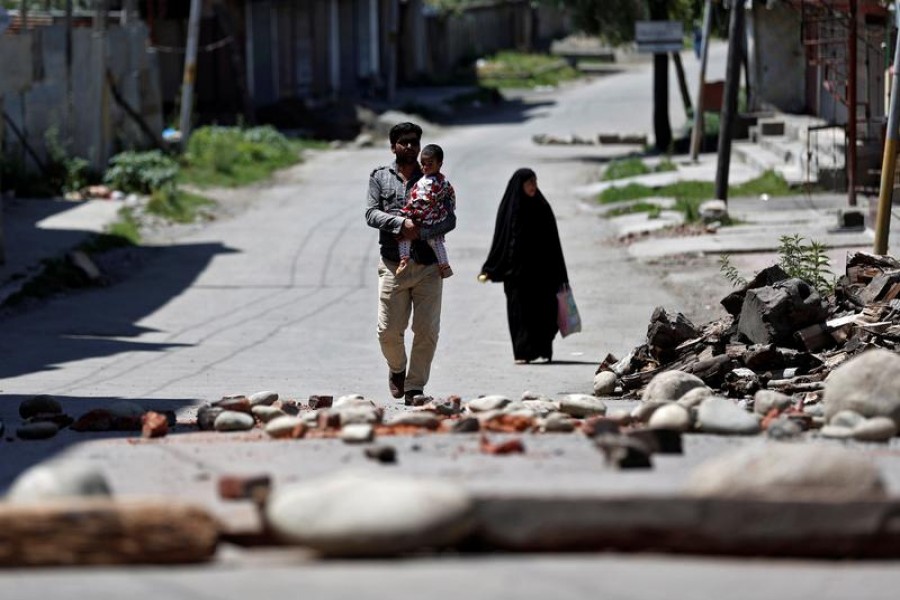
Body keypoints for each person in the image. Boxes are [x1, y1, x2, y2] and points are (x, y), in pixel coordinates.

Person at [365, 122, 456, 402]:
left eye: (414, 142)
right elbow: (370, 214)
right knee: (388, 331)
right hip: (394, 264)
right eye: (404, 142)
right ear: (393, 146)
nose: (410, 147)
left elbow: (450, 218)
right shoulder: (380, 177)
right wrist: (399, 223)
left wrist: (423, 231)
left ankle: (415, 387)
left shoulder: (434, 177)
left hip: (428, 265)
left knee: (426, 330)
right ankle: (397, 368)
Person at [479, 168, 569, 364]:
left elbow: (553, 243)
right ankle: (522, 352)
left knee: (544, 311)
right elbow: (500, 241)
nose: (533, 187)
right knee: (519, 313)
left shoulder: (542, 206)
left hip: (541, 274)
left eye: (535, 182)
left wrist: (559, 274)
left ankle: (543, 349)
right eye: (529, 183)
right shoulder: (509, 209)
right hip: (516, 275)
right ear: (520, 186)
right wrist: (491, 268)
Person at [397, 143, 456, 279]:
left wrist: (448, 209)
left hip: (429, 215)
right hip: (420, 213)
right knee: (405, 233)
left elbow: (448, 196)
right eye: (423, 163)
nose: (425, 167)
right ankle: (404, 259)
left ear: (440, 164)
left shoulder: (440, 182)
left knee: (435, 241)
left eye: (430, 163)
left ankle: (444, 264)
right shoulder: (424, 179)